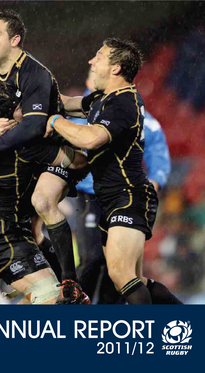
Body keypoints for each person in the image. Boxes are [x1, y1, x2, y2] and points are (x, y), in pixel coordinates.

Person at [0, 10, 89, 304]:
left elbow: (40, 123)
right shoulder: (10, 143)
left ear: (15, 40)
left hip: (16, 231)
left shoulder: (34, 79)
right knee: (49, 294)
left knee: (54, 299)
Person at [45, 38, 182, 304]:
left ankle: (148, 338)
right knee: (134, 280)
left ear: (116, 68)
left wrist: (54, 121)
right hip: (114, 199)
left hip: (127, 196)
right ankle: (188, 326)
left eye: (98, 56)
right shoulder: (105, 99)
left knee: (120, 275)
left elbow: (91, 139)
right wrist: (36, 96)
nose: (91, 62)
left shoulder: (124, 102)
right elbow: (68, 102)